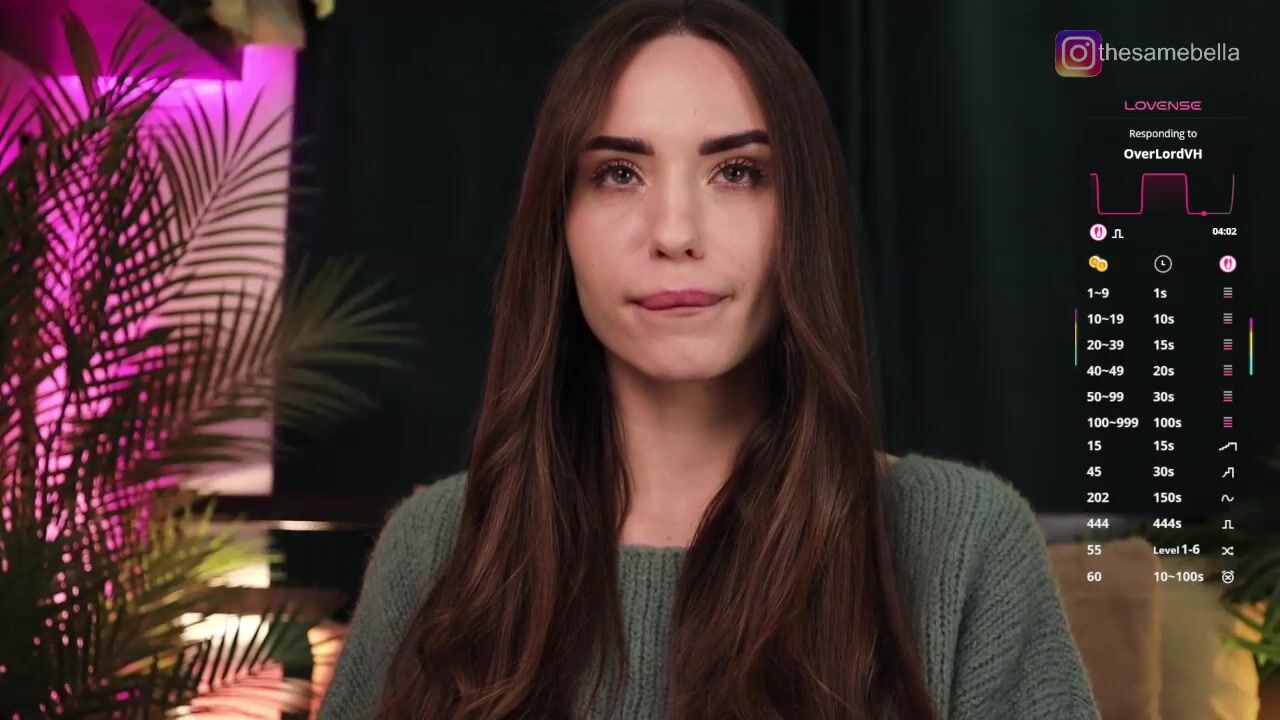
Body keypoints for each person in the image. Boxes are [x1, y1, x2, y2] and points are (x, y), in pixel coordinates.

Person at [317, 0, 1100, 718]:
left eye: (738, 172)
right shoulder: (434, 548)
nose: (675, 232)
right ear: (559, 226)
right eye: (618, 174)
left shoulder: (963, 542)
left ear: (804, 218)